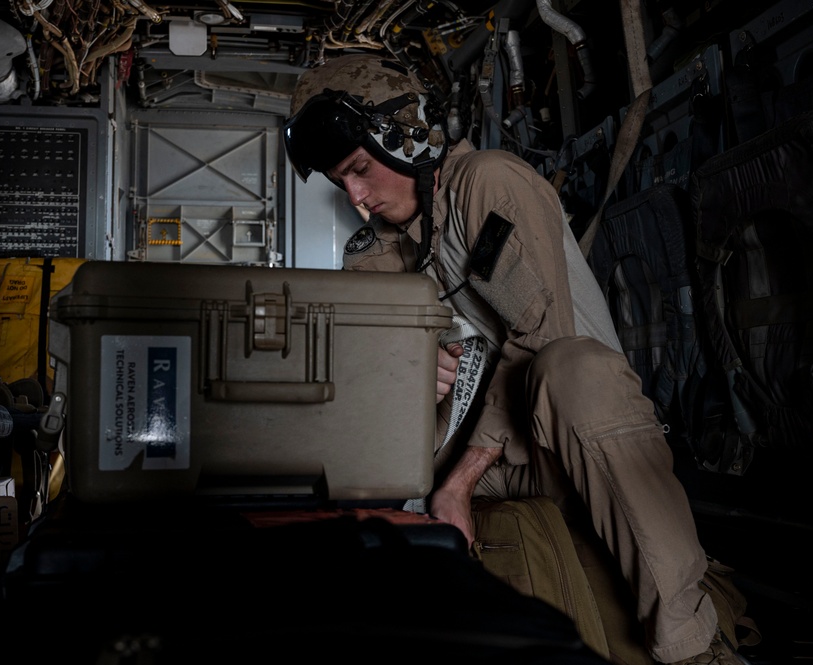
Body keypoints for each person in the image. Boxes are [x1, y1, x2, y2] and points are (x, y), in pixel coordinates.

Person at [284, 53, 744, 665]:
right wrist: (413, 380)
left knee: (573, 370)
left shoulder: (488, 183)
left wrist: (460, 483)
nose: (358, 197)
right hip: (476, 459)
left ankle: (692, 646)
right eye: (342, 182)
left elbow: (539, 337)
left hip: (572, 443)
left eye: (361, 170)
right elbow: (370, 384)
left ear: (408, 140)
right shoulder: (379, 248)